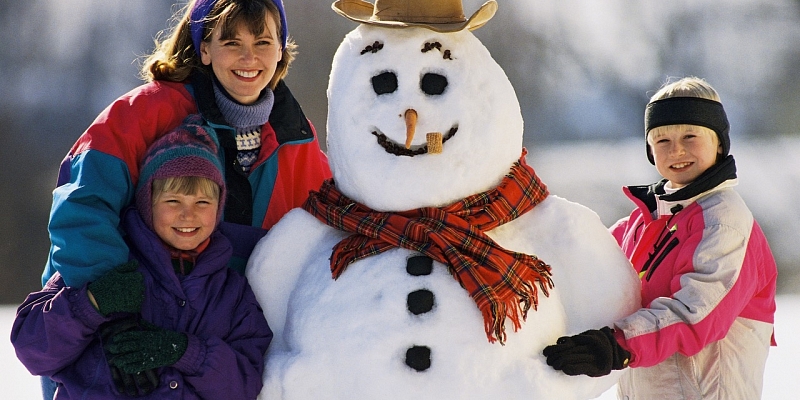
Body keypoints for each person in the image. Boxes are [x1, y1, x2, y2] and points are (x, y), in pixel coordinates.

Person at [44, 0, 330, 289]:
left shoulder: (297, 138)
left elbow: (335, 227)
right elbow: (82, 209)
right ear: (204, 49)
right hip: (139, 311)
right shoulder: (143, 113)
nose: (249, 57)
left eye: (263, 42)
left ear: (280, 49)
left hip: (242, 325)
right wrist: (112, 303)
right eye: (232, 42)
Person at [542, 77, 777, 399]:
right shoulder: (646, 221)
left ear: (719, 143)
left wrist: (616, 346)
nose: (677, 150)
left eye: (690, 136)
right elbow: (587, 267)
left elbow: (698, 313)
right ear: (650, 151)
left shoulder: (723, 221)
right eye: (662, 140)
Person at [13, 116, 273, 399]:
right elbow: (32, 351)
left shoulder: (231, 293)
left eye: (203, 202)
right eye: (173, 201)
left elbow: (246, 385)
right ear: (147, 202)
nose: (188, 215)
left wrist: (185, 351)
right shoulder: (104, 269)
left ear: (219, 207)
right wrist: (90, 305)